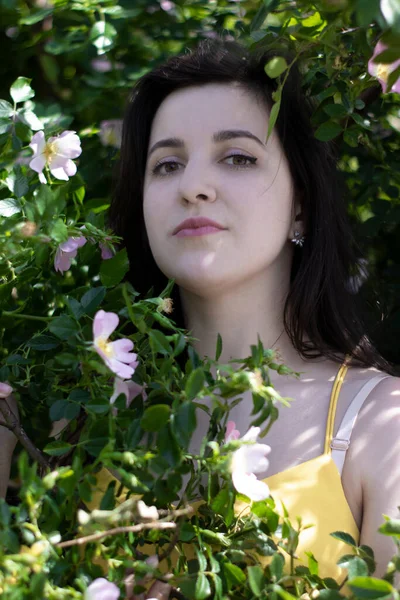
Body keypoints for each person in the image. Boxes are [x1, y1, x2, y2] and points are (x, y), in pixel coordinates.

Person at [1, 36, 399, 597]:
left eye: (237, 156)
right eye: (166, 165)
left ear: (302, 202)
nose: (192, 187)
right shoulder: (91, 420)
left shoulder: (380, 425)